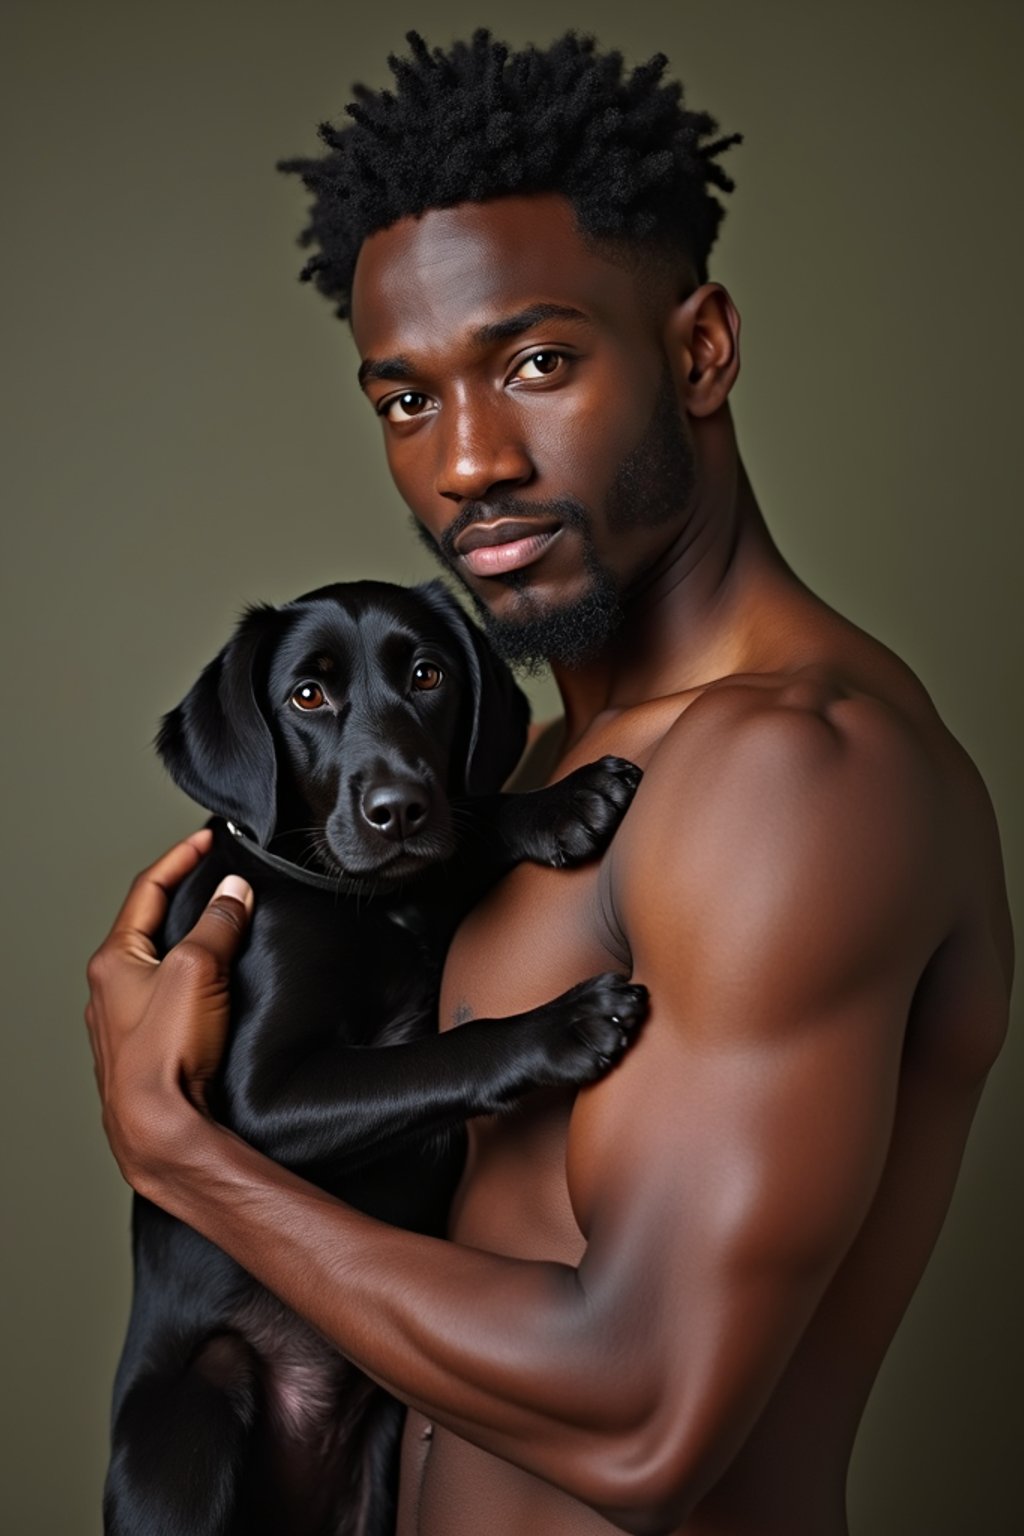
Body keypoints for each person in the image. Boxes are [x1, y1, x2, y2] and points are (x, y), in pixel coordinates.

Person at [85, 30, 1012, 1536]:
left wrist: (176, 1145)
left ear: (700, 351)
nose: (466, 464)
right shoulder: (537, 773)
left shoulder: (790, 773)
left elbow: (647, 1419)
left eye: (535, 362)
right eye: (406, 400)